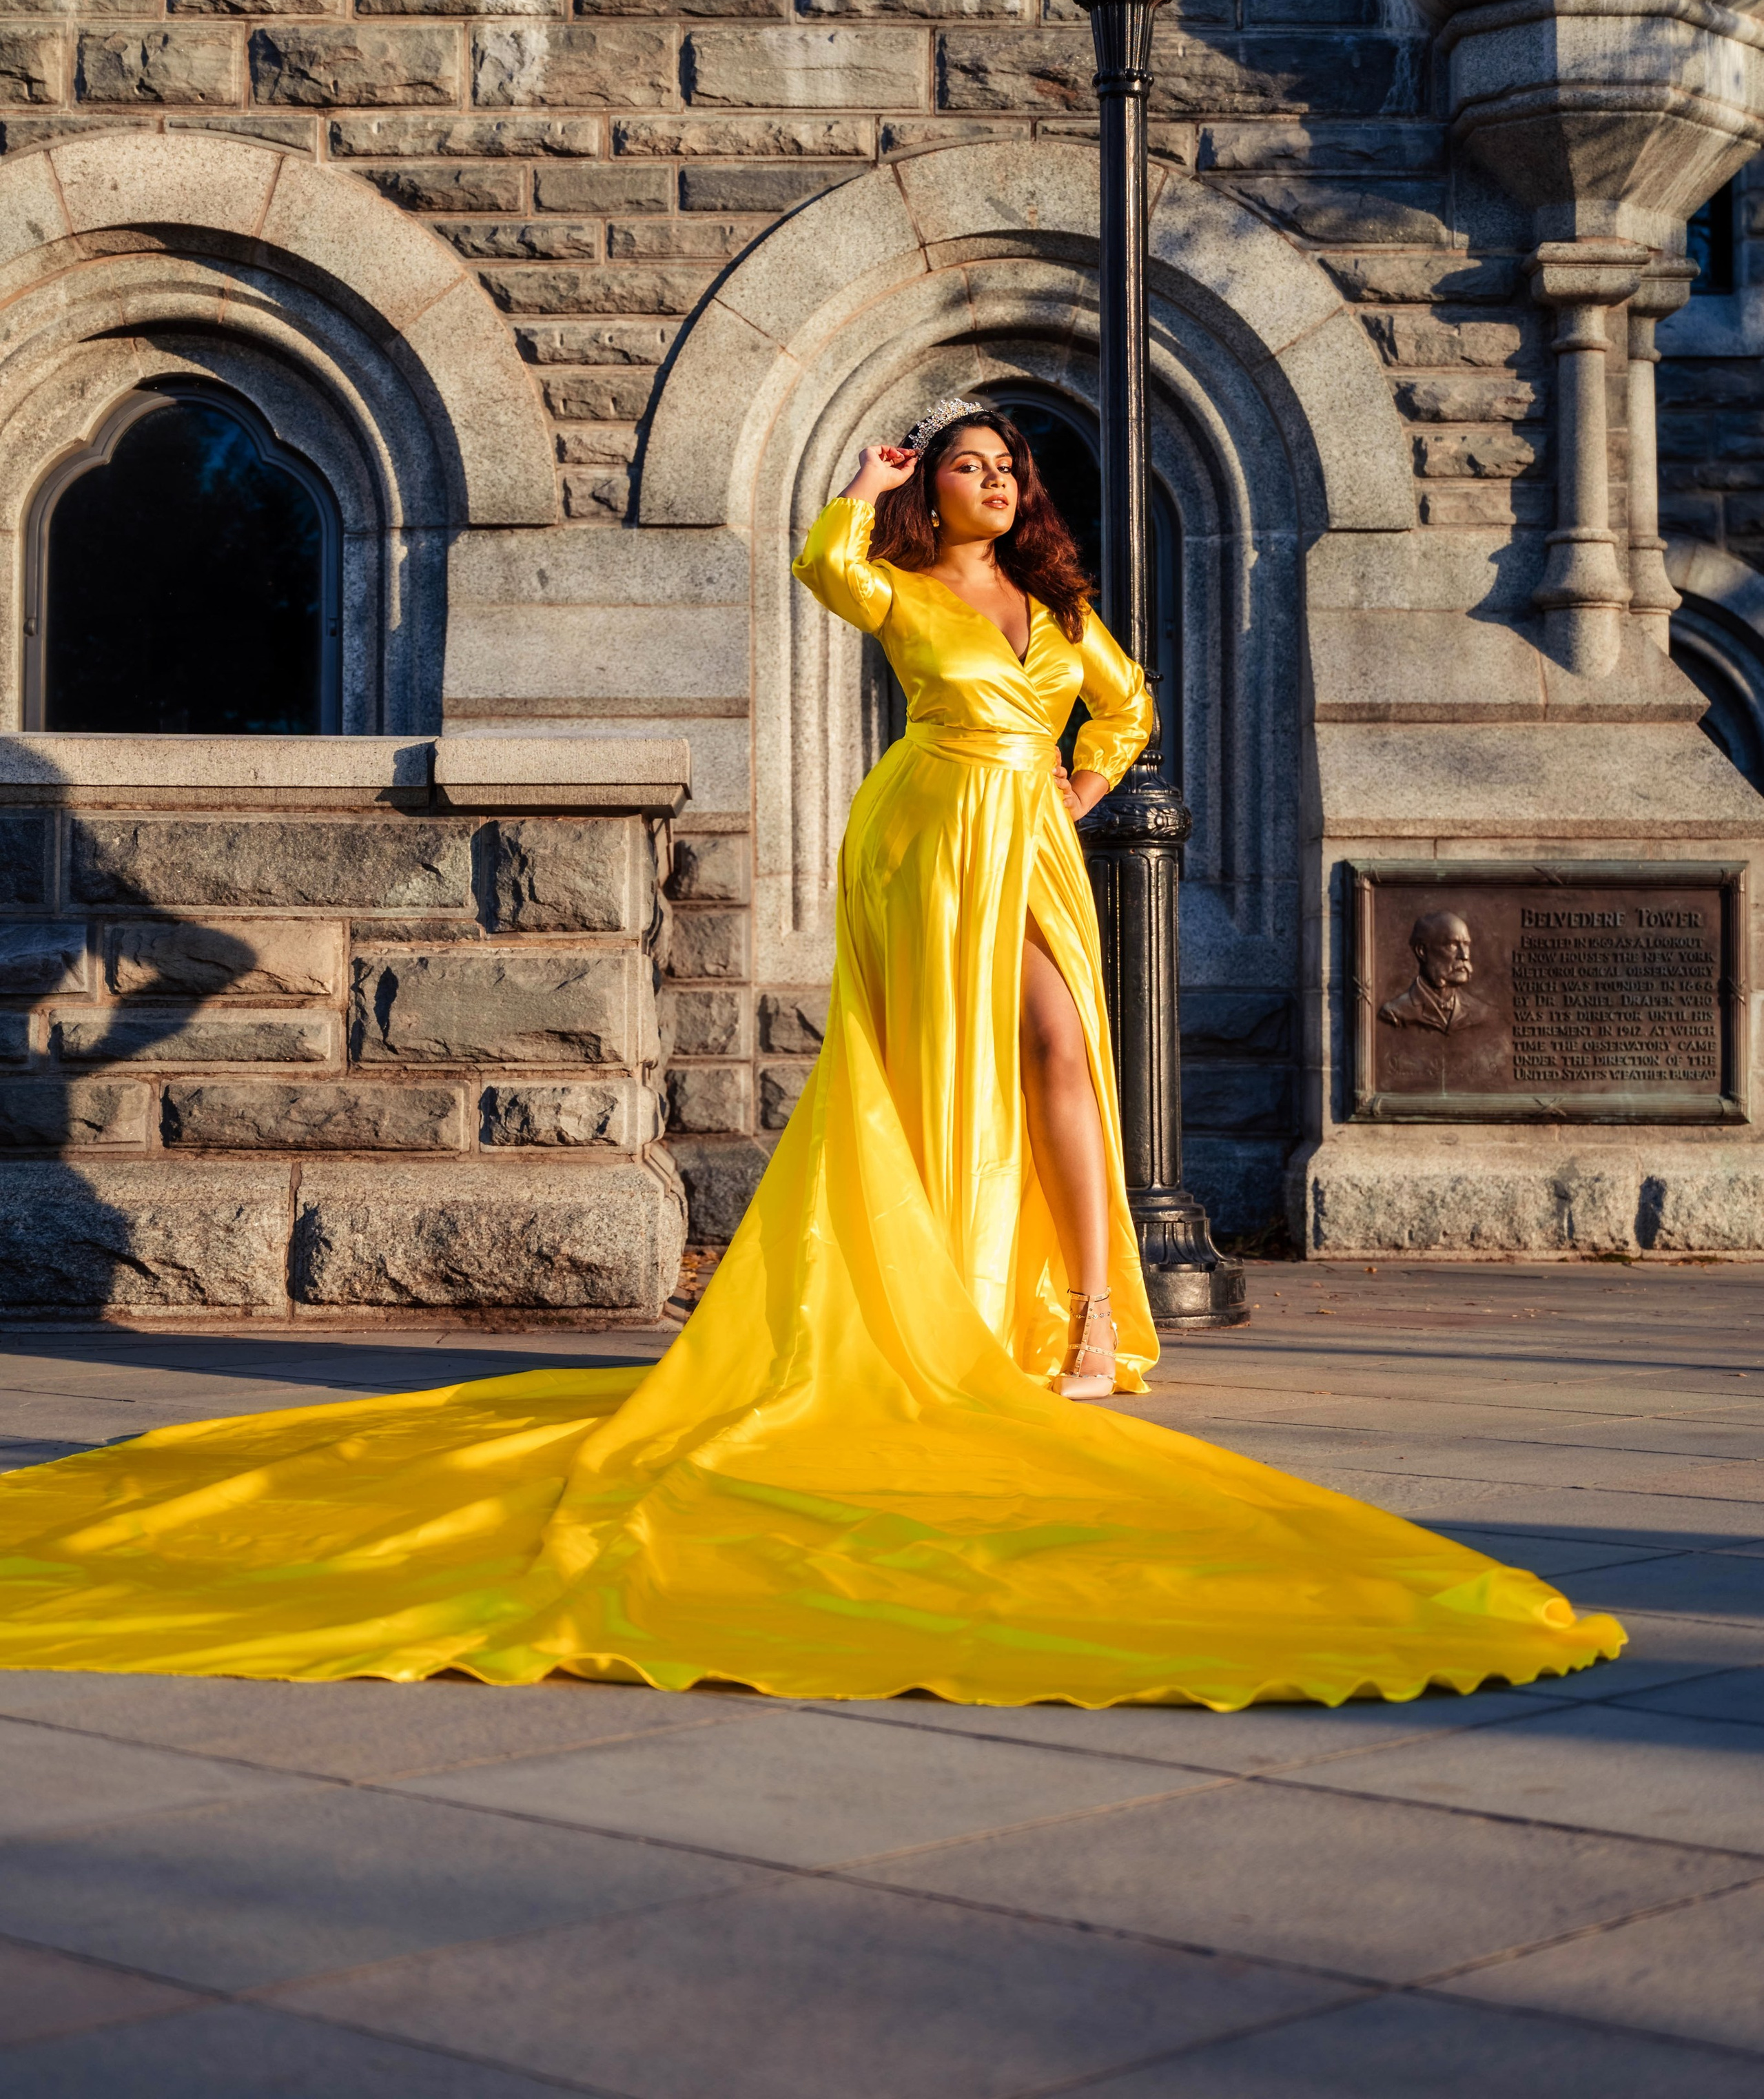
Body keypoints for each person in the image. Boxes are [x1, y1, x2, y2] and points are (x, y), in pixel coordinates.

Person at [0, 400, 1623, 1708]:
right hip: (921, 838)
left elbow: (1121, 717)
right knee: (940, 1068)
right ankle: (973, 1300)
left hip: (1026, 840)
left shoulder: (1057, 604)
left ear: (1028, 492)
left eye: (1002, 465)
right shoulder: (905, 587)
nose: (984, 480)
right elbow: (820, 564)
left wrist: (1060, 796)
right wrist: (868, 481)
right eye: (965, 466)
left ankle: (1086, 1303)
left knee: (1066, 1052)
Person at [1379, 912, 1489, 1036]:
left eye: (1466, 944)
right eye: (1452, 945)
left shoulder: (1481, 1012)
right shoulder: (1394, 1013)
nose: (1464, 955)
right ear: (1422, 951)